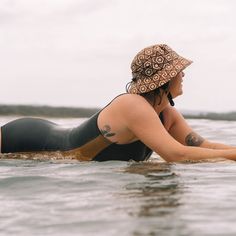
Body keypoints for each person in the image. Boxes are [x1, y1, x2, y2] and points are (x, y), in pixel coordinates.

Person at [1, 44, 236, 162]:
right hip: (29, 137)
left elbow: (206, 147)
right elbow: (177, 155)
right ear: (162, 79)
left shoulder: (167, 114)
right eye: (178, 71)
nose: (183, 75)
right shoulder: (133, 105)